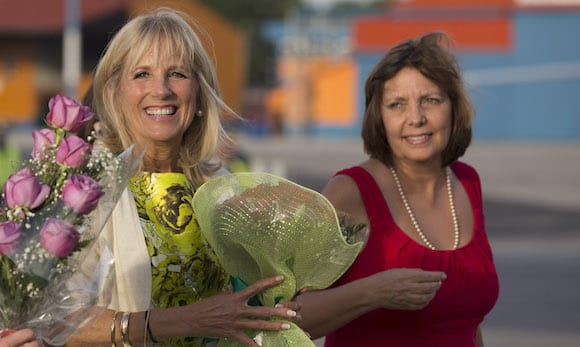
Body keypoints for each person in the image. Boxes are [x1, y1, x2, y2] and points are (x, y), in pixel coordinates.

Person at [66, 7, 299, 347]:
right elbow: (57, 321)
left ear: (200, 93)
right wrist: (186, 321)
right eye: (142, 74)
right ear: (115, 92)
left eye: (177, 73)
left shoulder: (222, 187)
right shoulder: (87, 189)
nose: (161, 90)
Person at [294, 31, 499, 346]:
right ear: (379, 116)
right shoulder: (350, 192)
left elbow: (468, 325)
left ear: (454, 107)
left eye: (430, 100)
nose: (415, 118)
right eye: (397, 105)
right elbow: (294, 317)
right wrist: (372, 292)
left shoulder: (467, 182)